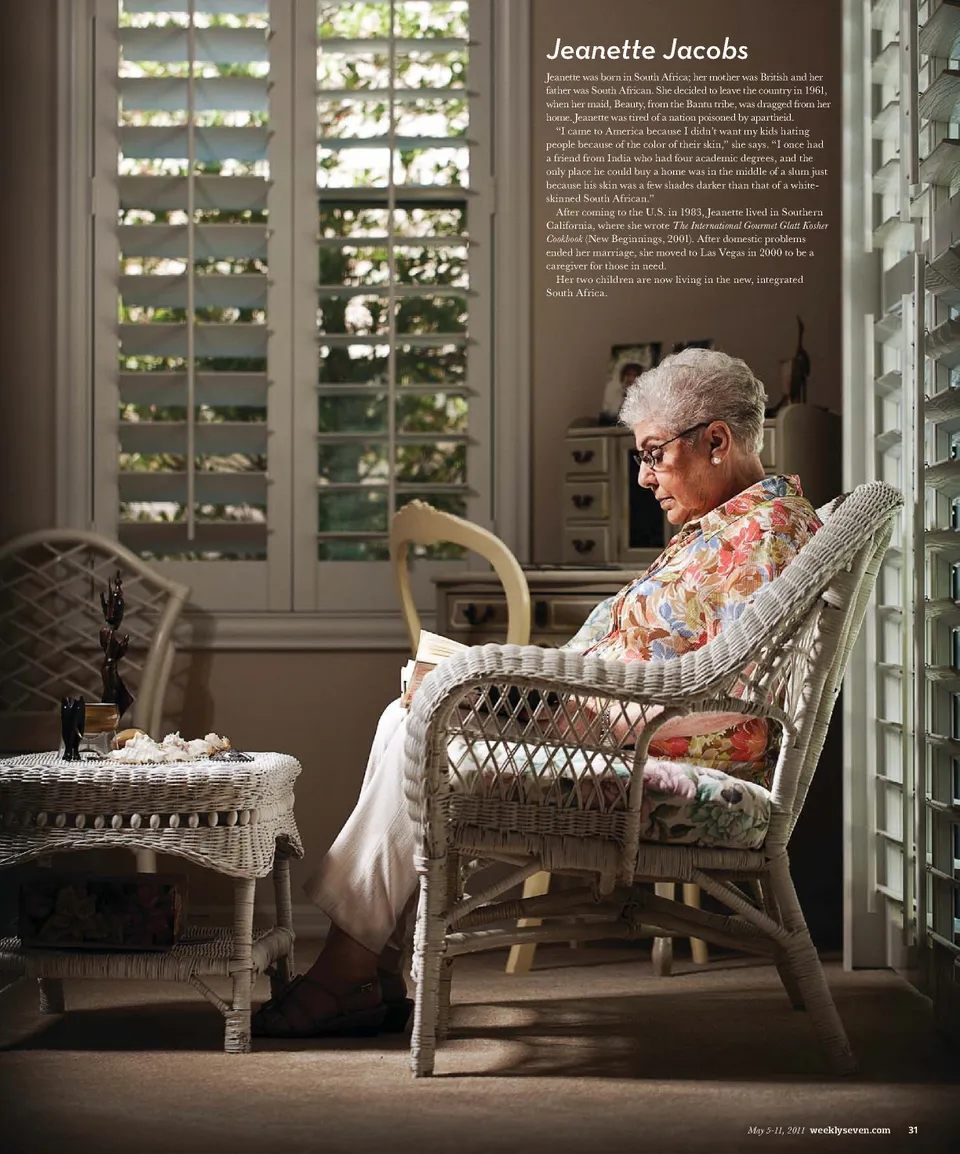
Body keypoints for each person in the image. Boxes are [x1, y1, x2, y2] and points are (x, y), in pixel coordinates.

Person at [251, 348, 822, 1038]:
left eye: (652, 454)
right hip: (598, 719)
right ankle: (369, 967)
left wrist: (553, 701)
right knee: (408, 713)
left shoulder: (761, 536)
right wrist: (527, 691)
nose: (643, 477)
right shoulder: (726, 527)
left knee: (416, 726)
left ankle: (350, 969)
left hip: (641, 745)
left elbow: (731, 704)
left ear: (717, 441)